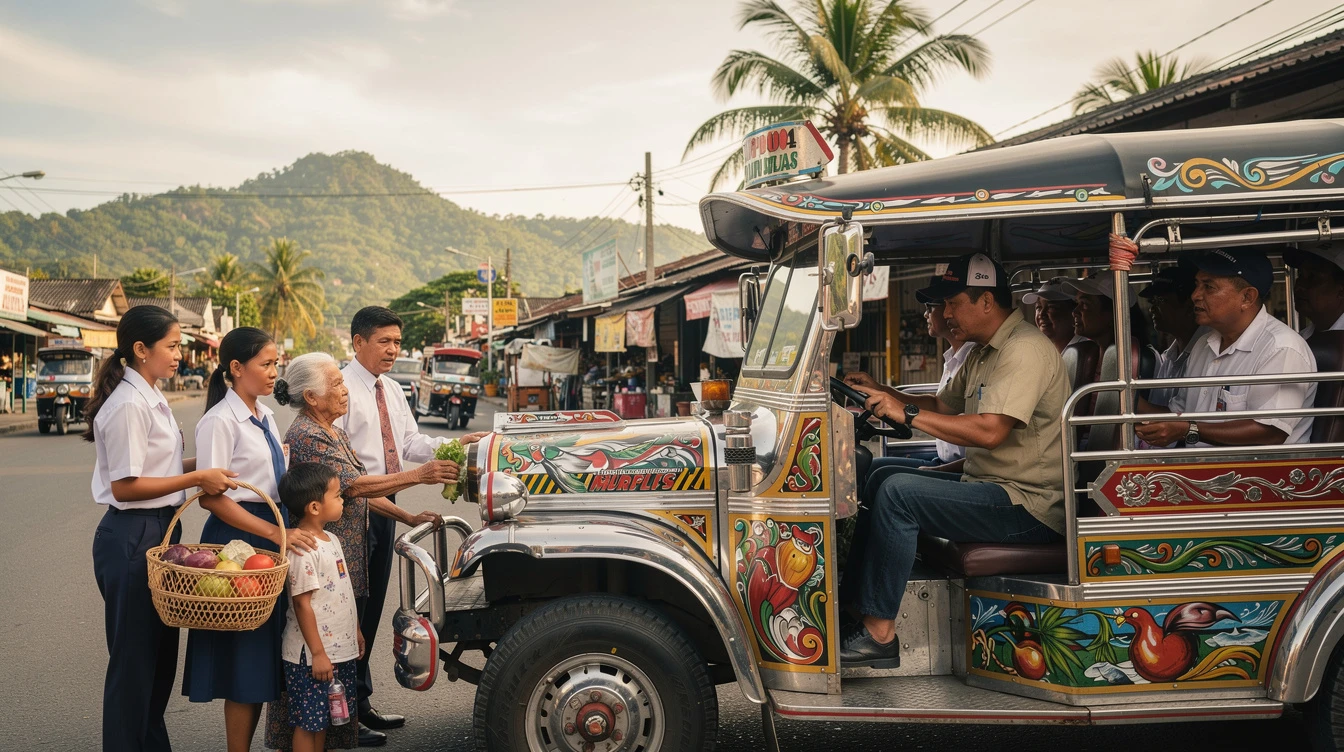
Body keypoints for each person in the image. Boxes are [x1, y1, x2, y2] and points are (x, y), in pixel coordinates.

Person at [839, 253, 1067, 668]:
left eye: (952, 303)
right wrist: (884, 392)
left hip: (1027, 505)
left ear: (986, 302)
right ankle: (854, 610)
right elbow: (942, 404)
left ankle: (879, 634)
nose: (945, 313)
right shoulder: (984, 351)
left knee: (898, 494)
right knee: (881, 475)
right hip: (990, 487)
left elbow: (990, 431)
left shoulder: (1024, 350)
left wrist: (904, 414)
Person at [267, 353, 463, 748]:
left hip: (343, 552)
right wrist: (419, 474)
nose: (344, 393)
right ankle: (316, 730)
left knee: (347, 637)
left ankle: (343, 724)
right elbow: (355, 487)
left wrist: (407, 517)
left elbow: (352, 490)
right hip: (319, 556)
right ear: (311, 396)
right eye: (336, 386)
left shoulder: (333, 430)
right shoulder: (308, 434)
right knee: (317, 649)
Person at [86, 305, 239, 752]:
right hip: (132, 535)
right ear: (140, 349)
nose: (179, 355)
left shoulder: (150, 396)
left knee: (159, 663)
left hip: (160, 531)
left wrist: (209, 466)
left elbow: (160, 467)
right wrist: (196, 478)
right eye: (171, 346)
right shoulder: (130, 404)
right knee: (134, 665)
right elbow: (126, 486)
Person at [184, 327, 319, 752]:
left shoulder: (265, 414)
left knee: (261, 654)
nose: (274, 372)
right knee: (245, 657)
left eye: (276, 363)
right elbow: (212, 500)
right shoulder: (218, 422)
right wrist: (275, 533)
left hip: (270, 533)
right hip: (240, 540)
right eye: (266, 364)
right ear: (237, 368)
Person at [335, 307, 465, 739]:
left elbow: (411, 443)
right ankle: (341, 713)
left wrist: (456, 445)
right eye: (384, 342)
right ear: (358, 343)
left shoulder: (391, 388)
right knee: (345, 609)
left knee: (370, 606)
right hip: (348, 505)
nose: (393, 350)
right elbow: (340, 471)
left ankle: (360, 701)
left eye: (397, 342)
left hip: (383, 503)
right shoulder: (340, 388)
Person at [1135, 249, 1316, 448]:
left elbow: (1270, 431)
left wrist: (1189, 429)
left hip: (1257, 475)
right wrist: (1131, 403)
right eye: (1197, 285)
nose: (1195, 295)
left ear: (1247, 297)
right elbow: (1180, 414)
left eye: (1209, 287)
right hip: (1203, 471)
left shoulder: (1281, 348)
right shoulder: (1203, 345)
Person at [278, 462, 364, 752]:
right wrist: (318, 654)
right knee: (308, 723)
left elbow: (342, 593)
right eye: (337, 496)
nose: (343, 500)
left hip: (337, 649)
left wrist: (356, 631)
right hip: (311, 656)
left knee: (323, 720)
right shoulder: (303, 550)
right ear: (314, 507)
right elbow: (302, 604)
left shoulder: (333, 540)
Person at [846, 289, 973, 482]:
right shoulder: (953, 359)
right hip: (942, 461)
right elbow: (938, 405)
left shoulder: (973, 359)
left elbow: (983, 444)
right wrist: (880, 389)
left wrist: (939, 471)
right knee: (874, 467)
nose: (925, 314)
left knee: (886, 480)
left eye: (930, 307)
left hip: (961, 469)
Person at [1140, 264, 1206, 409]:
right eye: (1153, 302)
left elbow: (1183, 421)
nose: (1152, 308)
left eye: (1161, 301)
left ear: (1189, 307)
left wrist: (1132, 402)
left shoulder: (1207, 353)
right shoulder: (1169, 357)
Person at [1286, 245, 1344, 338]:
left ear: (1342, 291)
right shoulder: (1302, 340)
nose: (1299, 286)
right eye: (1300, 274)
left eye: (1313, 276)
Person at [1022, 276, 1083, 353]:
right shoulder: (1041, 352)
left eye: (1051, 307)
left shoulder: (1084, 352)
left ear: (1074, 312)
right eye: (1038, 307)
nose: (1041, 314)